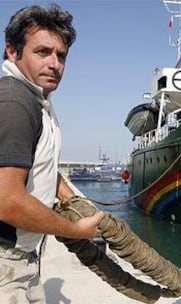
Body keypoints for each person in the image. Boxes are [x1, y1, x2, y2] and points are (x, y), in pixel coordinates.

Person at [0, 4, 105, 303]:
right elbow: (6, 202)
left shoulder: (37, 100)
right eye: (42, 52)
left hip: (24, 258)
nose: (55, 64)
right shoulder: (15, 103)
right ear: (12, 51)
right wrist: (76, 230)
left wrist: (69, 196)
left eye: (61, 56)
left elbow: (34, 162)